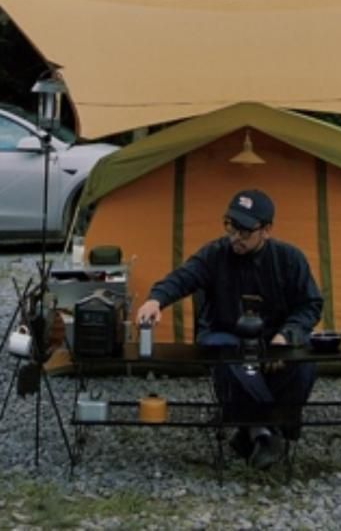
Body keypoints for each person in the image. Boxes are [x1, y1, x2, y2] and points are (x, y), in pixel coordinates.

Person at [136, 188, 323, 468]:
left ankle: (255, 430)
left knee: (304, 365)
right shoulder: (215, 253)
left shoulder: (289, 259)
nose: (235, 237)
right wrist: (156, 300)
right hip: (225, 334)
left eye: (244, 232)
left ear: (266, 230)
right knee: (230, 356)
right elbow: (184, 276)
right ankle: (267, 429)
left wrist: (287, 335)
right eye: (230, 227)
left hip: (273, 338)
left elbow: (310, 304)